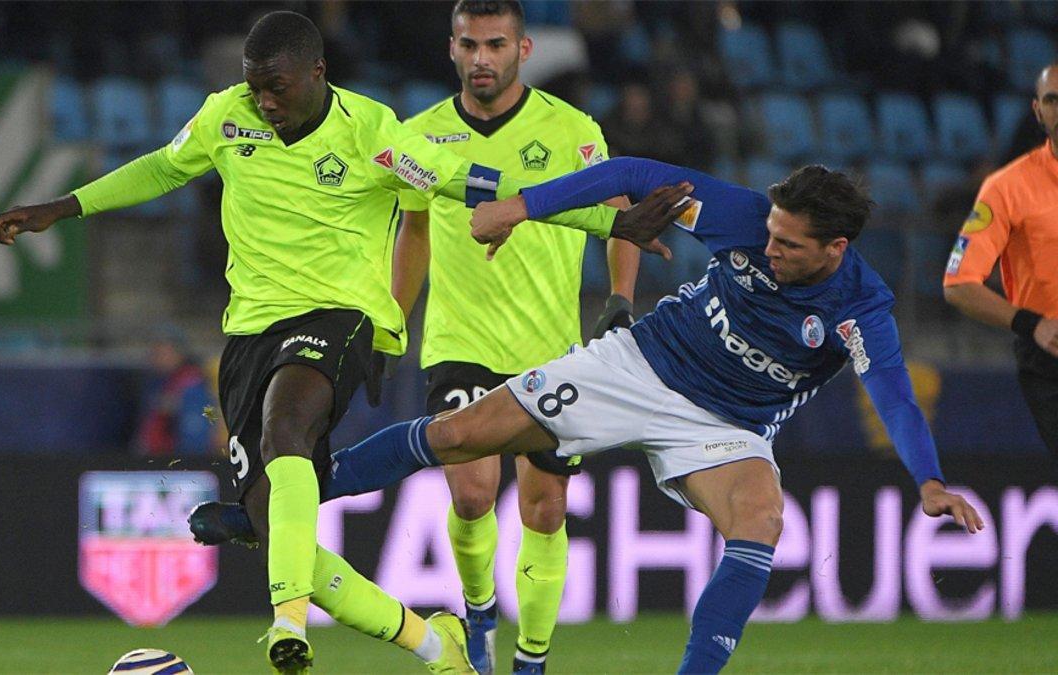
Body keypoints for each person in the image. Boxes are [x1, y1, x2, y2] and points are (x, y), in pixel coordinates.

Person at [0, 11, 668, 673]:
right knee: (286, 524)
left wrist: (608, 224)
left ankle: (295, 627)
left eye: (276, 87)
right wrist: (63, 205)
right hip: (250, 333)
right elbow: (163, 168)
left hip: (340, 320)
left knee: (304, 435)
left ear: (317, 73)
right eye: (255, 86)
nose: (264, 100)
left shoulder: (373, 133)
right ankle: (435, 643)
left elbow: (481, 183)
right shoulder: (227, 116)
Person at [319, 158, 986, 674]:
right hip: (638, 365)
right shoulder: (740, 215)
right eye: (771, 233)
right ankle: (289, 495)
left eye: (788, 244)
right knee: (458, 435)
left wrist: (928, 479)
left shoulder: (860, 309)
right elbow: (630, 174)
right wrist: (520, 208)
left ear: (836, 248)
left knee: (762, 517)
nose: (770, 245)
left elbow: (894, 396)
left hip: (727, 429)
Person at [392, 2, 637, 673]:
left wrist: (619, 301)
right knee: (471, 492)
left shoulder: (571, 130)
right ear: (451, 48)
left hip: (550, 349)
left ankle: (530, 659)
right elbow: (412, 234)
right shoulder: (422, 136)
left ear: (523, 48)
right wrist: (391, 320)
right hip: (458, 338)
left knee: (546, 509)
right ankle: (479, 613)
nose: (481, 58)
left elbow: (622, 220)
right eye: (469, 44)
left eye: (495, 44)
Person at [943, 61, 1058, 454]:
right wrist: (1032, 324)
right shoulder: (1008, 188)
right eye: (1052, 100)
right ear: (1037, 110)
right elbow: (959, 285)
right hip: (1050, 358)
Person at [133, 330, 215, 456]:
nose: (157, 358)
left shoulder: (193, 384)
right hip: (152, 458)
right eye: (155, 353)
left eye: (163, 353)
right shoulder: (158, 383)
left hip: (180, 461)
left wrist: (180, 407)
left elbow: (198, 432)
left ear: (179, 354)